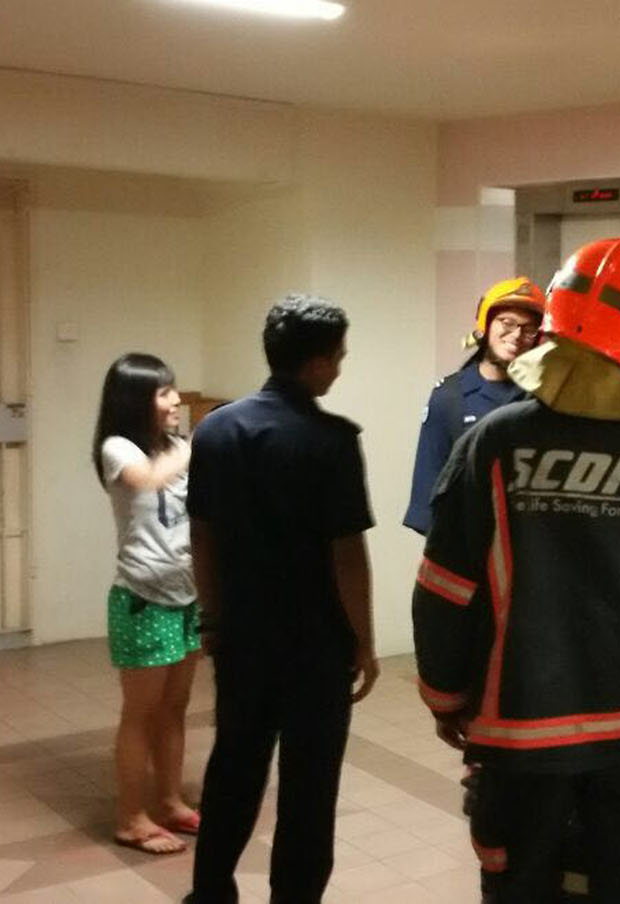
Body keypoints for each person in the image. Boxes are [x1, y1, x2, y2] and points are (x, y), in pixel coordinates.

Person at [413, 237, 620, 904]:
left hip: (518, 725)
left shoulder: (491, 441)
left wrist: (444, 695)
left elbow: (445, 588)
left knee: (519, 884)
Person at [184, 294, 378, 904]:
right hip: (316, 647)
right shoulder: (332, 440)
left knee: (233, 769)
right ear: (316, 362)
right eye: (338, 357)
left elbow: (202, 535)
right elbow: (347, 554)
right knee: (309, 789)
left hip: (242, 637)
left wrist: (212, 618)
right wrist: (365, 642)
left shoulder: (216, 429)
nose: (339, 368)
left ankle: (209, 893)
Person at [93, 352, 202, 856]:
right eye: (164, 392)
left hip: (187, 594)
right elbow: (147, 480)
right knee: (141, 713)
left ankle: (170, 801)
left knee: (175, 708)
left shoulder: (179, 446)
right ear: (135, 400)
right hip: (142, 598)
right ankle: (131, 819)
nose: (176, 400)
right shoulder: (118, 448)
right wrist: (204, 439)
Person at [403, 277, 545, 536]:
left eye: (529, 329)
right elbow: (428, 501)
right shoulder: (449, 397)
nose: (517, 335)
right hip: (467, 547)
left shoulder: (546, 398)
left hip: (533, 546)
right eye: (507, 322)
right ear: (486, 325)